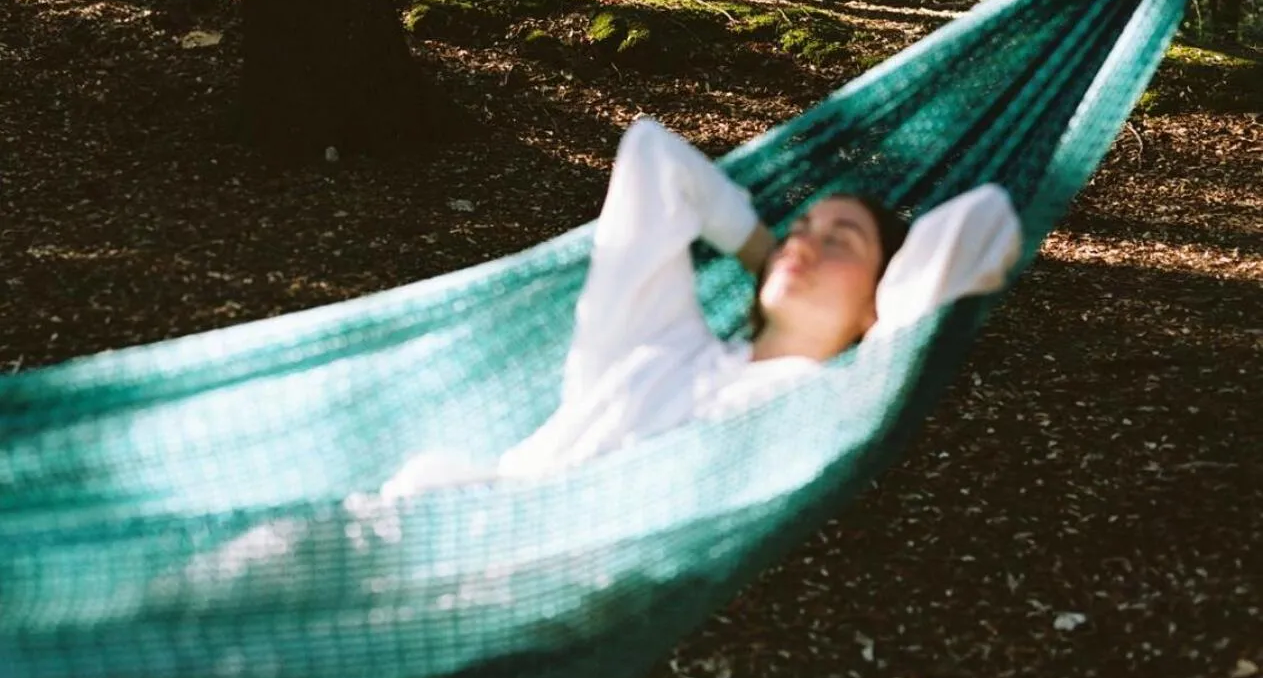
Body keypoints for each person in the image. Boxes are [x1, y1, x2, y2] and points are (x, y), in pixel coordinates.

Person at [382, 117, 1021, 496]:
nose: (806, 242)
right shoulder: (660, 340)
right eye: (803, 226)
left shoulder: (835, 401)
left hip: (500, 585)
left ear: (880, 303)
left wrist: (884, 318)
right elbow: (651, 155)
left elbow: (984, 219)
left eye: (840, 240)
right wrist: (767, 253)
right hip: (423, 519)